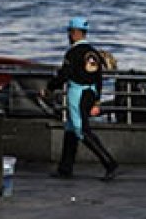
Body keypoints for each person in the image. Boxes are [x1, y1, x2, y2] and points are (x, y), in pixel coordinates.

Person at [42, 17, 118, 181]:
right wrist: (97, 99)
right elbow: (99, 77)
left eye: (70, 32)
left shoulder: (72, 53)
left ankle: (109, 163)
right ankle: (65, 168)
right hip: (91, 92)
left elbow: (64, 74)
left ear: (75, 33)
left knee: (81, 129)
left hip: (77, 92)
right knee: (70, 129)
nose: (68, 35)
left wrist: (50, 87)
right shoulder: (93, 52)